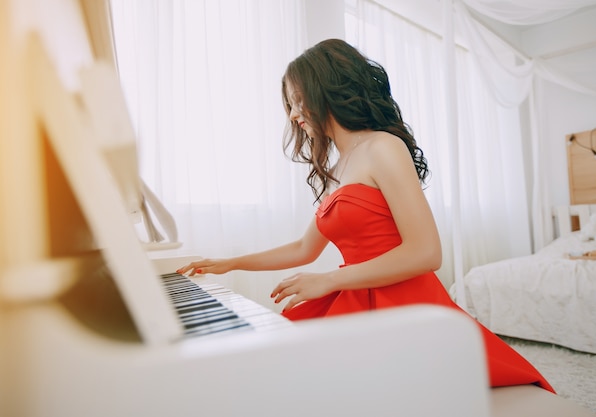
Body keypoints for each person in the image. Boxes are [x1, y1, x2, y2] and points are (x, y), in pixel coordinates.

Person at [177, 38, 554, 392]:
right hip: (356, 293)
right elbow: (302, 249)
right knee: (282, 368)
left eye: (297, 101)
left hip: (403, 301)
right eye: (289, 105)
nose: (293, 116)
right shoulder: (338, 167)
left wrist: (328, 281)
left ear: (327, 89)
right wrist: (230, 263)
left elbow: (426, 253)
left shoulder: (383, 147)